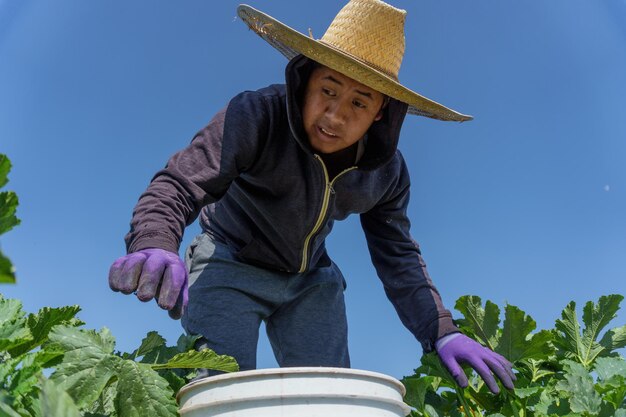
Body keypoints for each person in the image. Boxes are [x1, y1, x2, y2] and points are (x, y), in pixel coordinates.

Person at [108, 0, 515, 394]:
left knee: (329, 398)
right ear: (306, 79)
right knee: (218, 392)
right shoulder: (257, 114)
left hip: (309, 281)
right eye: (328, 90)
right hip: (228, 261)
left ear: (380, 112)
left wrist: (441, 331)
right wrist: (154, 241)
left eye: (359, 102)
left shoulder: (386, 173)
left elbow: (398, 254)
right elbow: (180, 182)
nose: (335, 116)